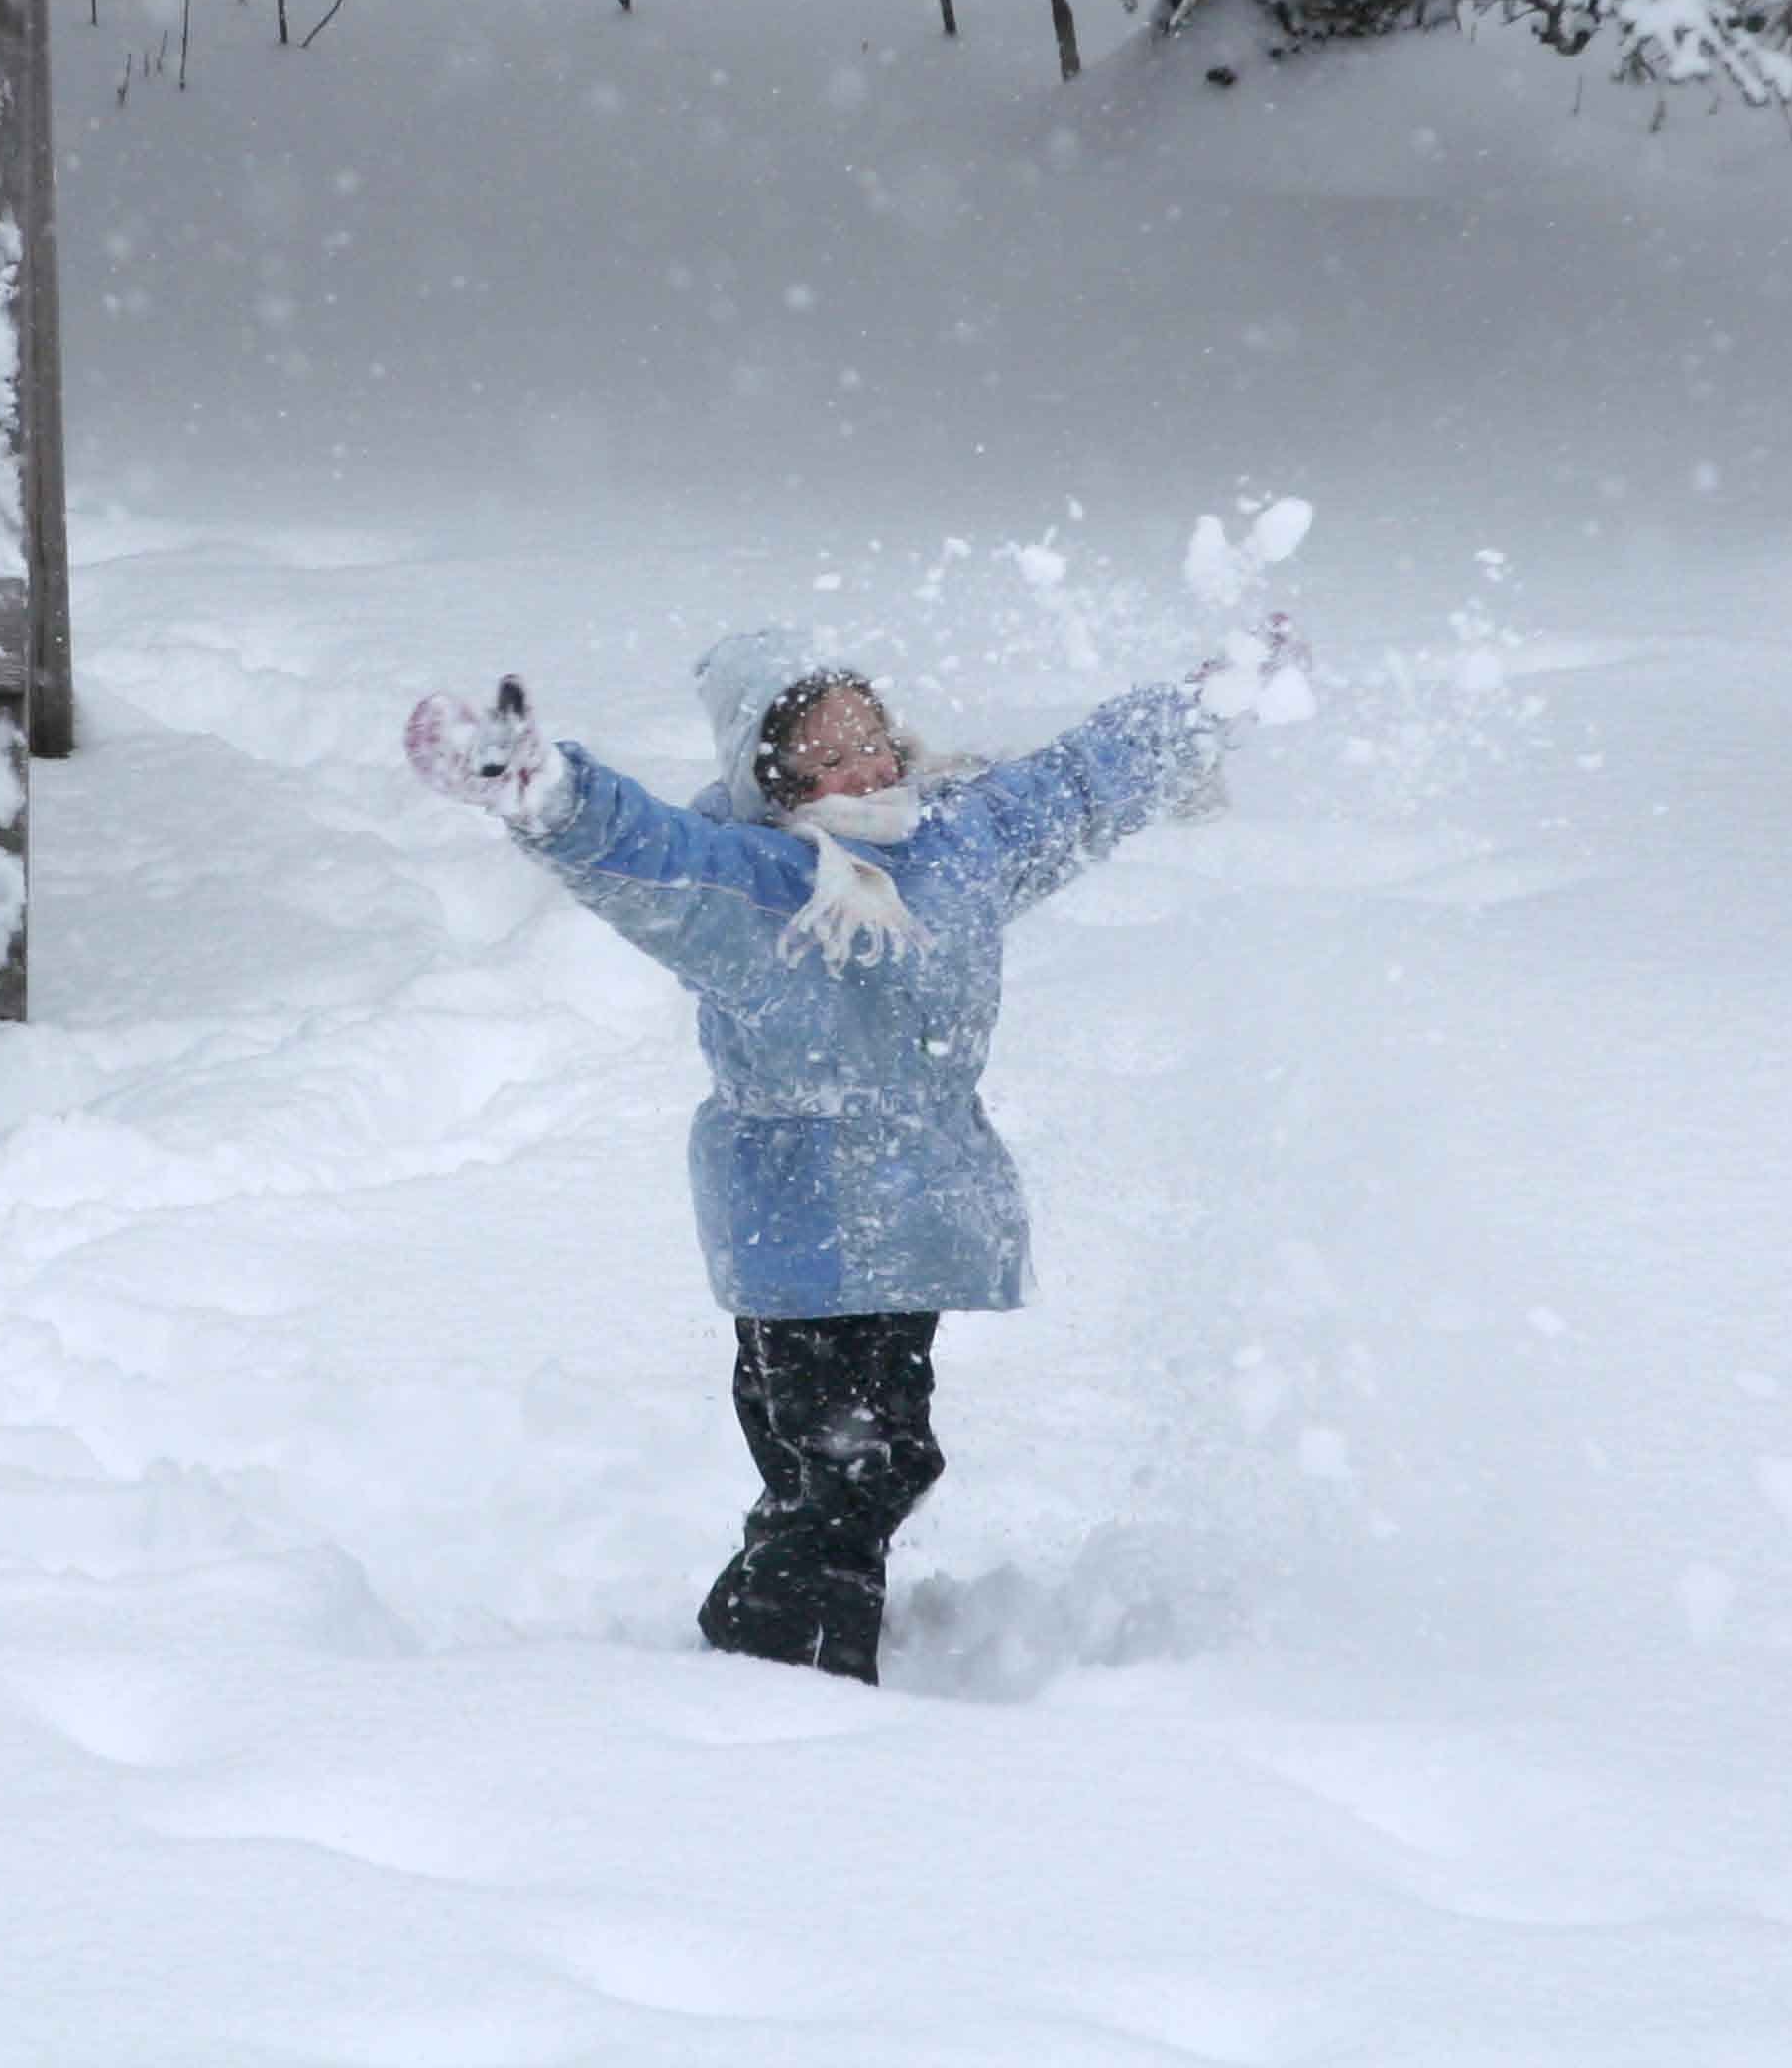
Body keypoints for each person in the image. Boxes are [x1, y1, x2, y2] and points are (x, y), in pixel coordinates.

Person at [402, 618, 1306, 1684]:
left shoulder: (954, 842)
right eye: (825, 758)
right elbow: (651, 857)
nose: (860, 768)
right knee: (847, 1481)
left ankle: (756, 1660)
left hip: (909, 1228)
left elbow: (1076, 785)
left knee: (852, 1476)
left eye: (868, 739)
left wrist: (1204, 709)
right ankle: (799, 1698)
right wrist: (548, 795)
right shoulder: (757, 884)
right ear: (773, 779)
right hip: (802, 1237)